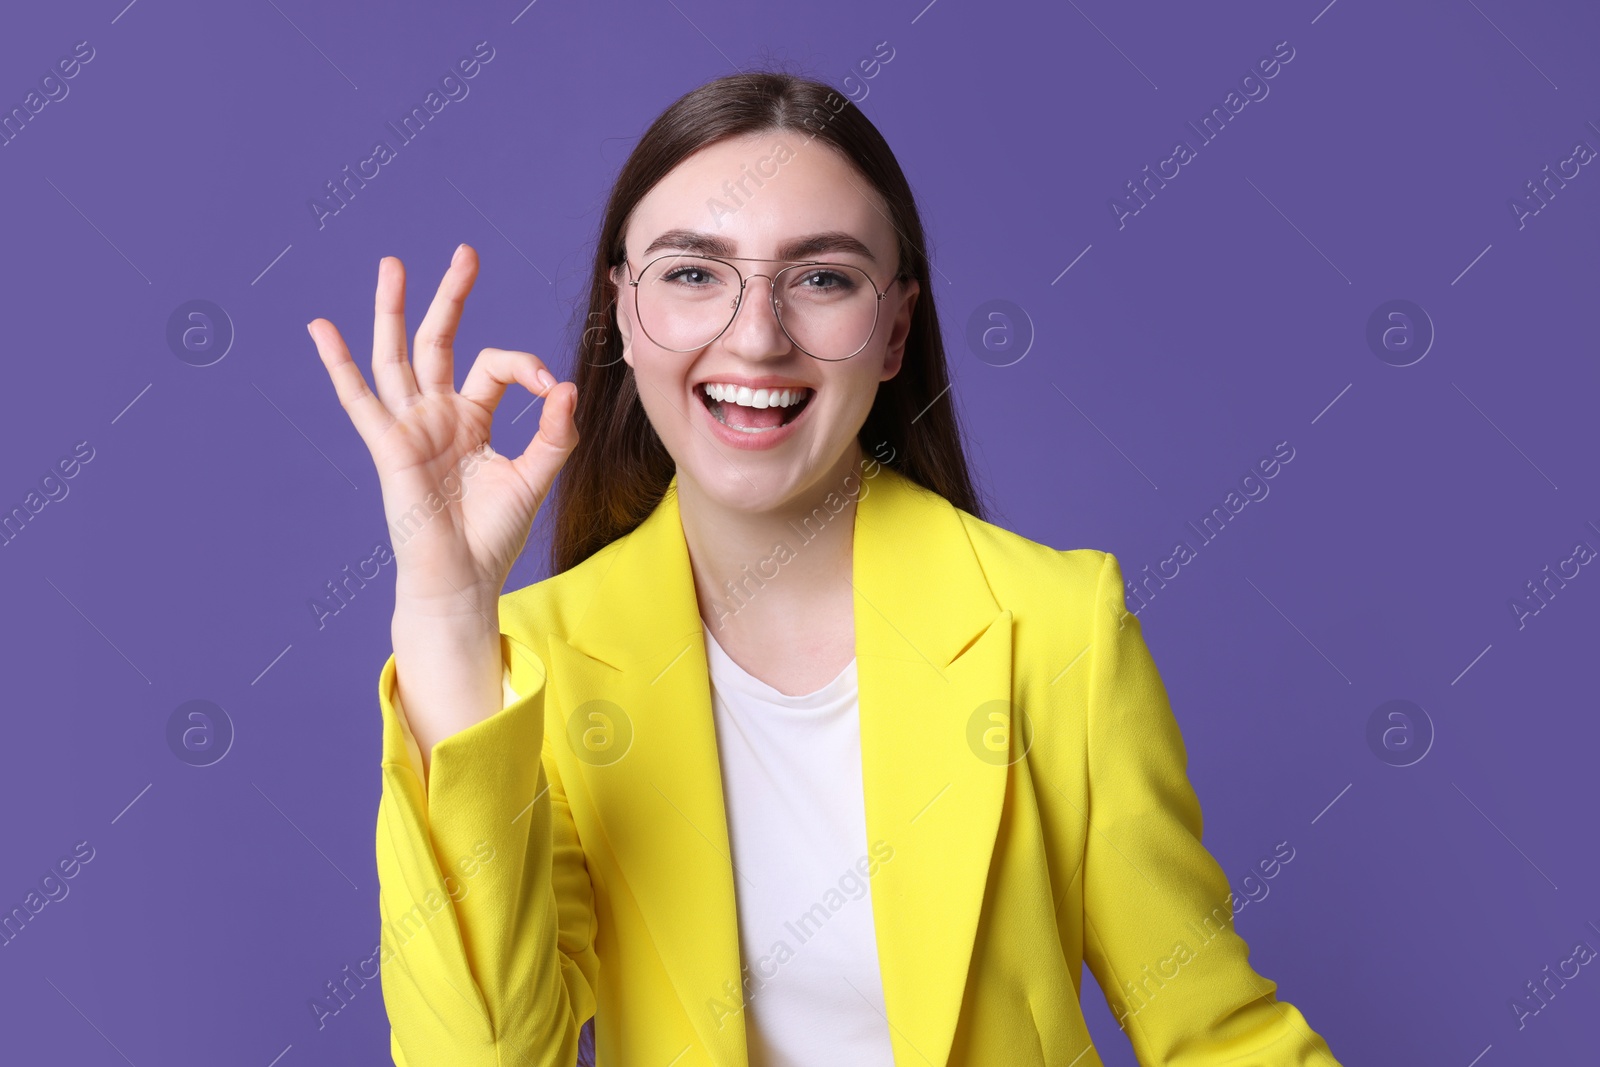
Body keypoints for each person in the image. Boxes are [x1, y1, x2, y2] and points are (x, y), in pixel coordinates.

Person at [307, 70, 1343, 1067]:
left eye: (821, 279)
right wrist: (447, 611)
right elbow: (486, 1056)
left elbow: (1214, 1032)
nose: (755, 337)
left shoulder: (1056, 623)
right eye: (691, 273)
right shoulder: (534, 665)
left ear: (893, 329)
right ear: (622, 313)